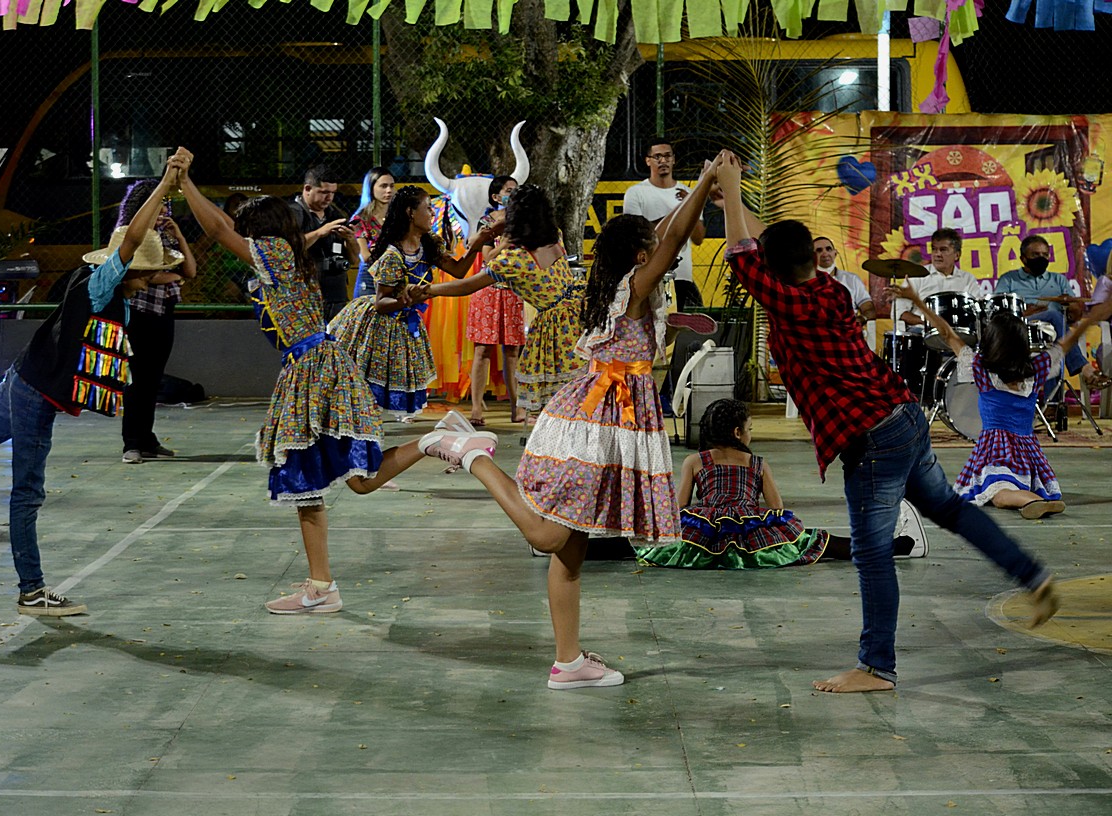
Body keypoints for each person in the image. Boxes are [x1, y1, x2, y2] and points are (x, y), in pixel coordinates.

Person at [713, 151, 1057, 694]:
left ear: (775, 268)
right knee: (946, 508)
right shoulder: (825, 287)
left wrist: (730, 187)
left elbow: (740, 249)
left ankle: (876, 667)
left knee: (873, 552)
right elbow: (761, 243)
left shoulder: (790, 301)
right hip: (904, 417)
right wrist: (736, 199)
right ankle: (1031, 575)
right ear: (809, 257)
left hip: (871, 435)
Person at [416, 160, 719, 690]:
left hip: (604, 416)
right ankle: (467, 451)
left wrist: (671, 320)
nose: (660, 250)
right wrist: (707, 184)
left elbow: (665, 242)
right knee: (549, 533)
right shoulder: (630, 284)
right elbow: (672, 239)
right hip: (595, 418)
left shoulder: (615, 287)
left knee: (572, 552)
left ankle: (568, 661)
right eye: (653, 247)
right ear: (641, 256)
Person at [177, 155, 494, 614]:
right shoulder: (289, 253)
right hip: (317, 366)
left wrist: (184, 180)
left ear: (261, 235)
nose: (242, 240)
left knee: (304, 477)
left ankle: (323, 584)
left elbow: (220, 229)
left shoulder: (277, 256)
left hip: (313, 372)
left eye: (249, 233)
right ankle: (324, 581)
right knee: (345, 483)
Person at [0, 149, 192, 617]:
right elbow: (135, 235)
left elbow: (169, 264)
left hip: (23, 375)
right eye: (154, 270)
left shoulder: (106, 288)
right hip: (36, 391)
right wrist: (165, 185)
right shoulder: (102, 284)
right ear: (134, 270)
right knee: (27, 493)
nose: (162, 276)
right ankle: (31, 591)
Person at [894, 281, 1112, 517]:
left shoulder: (980, 369)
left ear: (990, 343)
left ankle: (1028, 501)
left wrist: (917, 301)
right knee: (1007, 484)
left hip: (994, 449)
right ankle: (1035, 498)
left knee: (995, 491)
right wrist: (1092, 318)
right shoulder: (1037, 369)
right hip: (1028, 452)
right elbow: (1067, 342)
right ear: (1023, 345)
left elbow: (947, 333)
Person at [634, 399, 927, 569]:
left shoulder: (695, 461)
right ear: (738, 432)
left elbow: (681, 506)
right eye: (749, 430)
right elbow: (777, 508)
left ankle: (595, 548)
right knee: (818, 541)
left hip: (705, 535)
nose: (750, 435)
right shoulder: (757, 463)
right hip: (752, 532)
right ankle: (900, 545)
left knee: (641, 542)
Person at [416, 184, 584, 415]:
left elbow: (466, 285)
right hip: (578, 309)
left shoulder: (513, 260)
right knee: (578, 385)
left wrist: (429, 290)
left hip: (555, 325)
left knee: (558, 395)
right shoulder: (555, 236)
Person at [329, 186, 493, 419]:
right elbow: (381, 303)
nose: (432, 214)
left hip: (405, 322)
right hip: (380, 326)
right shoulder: (392, 255)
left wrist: (477, 244)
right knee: (365, 387)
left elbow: (458, 271)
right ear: (410, 213)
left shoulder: (428, 244)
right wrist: (406, 300)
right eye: (427, 209)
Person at [116, 179, 198, 464]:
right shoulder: (129, 235)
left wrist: (181, 237)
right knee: (136, 380)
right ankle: (132, 443)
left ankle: (147, 438)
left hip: (164, 312)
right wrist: (168, 274)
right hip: (138, 314)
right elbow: (143, 274)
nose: (165, 210)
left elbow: (189, 270)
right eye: (160, 204)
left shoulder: (166, 234)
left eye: (166, 205)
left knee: (152, 379)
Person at [993, 234, 1109, 390]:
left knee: (1055, 328)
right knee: (1055, 317)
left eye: (1045, 255)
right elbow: (998, 310)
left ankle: (1053, 405)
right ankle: (1084, 369)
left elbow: (1075, 315)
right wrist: (1024, 312)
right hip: (1021, 330)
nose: (1041, 258)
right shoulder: (1009, 279)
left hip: (1054, 331)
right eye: (1035, 255)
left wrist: (1072, 307)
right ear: (1023, 258)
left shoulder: (1058, 280)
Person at [465, 175, 526, 425]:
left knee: (512, 352)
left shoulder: (524, 222)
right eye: (508, 191)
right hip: (488, 290)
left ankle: (517, 407)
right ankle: (477, 408)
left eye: (516, 190)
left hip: (513, 291)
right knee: (482, 350)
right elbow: (488, 257)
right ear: (496, 197)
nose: (512, 194)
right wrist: (506, 244)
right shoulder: (487, 222)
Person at [621, 137, 706, 289]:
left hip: (681, 276)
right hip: (650, 274)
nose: (663, 161)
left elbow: (698, 238)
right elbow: (637, 236)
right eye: (657, 157)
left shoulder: (688, 193)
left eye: (667, 156)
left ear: (673, 160)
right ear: (648, 161)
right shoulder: (635, 193)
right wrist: (682, 209)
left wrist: (693, 206)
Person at [289, 165, 358, 323]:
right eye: (324, 192)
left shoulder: (336, 215)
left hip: (337, 296)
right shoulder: (292, 214)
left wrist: (350, 239)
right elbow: (288, 249)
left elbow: (354, 259)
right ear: (307, 188)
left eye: (333, 193)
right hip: (305, 296)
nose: (329, 198)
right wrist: (320, 232)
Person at [894, 228, 981, 329]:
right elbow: (899, 312)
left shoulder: (968, 279)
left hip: (955, 335)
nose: (937, 254)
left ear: (957, 255)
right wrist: (927, 322)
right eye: (934, 249)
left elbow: (977, 312)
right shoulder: (917, 275)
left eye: (943, 250)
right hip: (921, 334)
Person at [350, 166, 397, 298]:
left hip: (395, 277)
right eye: (383, 186)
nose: (389, 190)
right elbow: (365, 256)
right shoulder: (360, 219)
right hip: (370, 278)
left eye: (391, 186)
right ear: (371, 188)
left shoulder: (398, 216)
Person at [814, 236, 876, 326]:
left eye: (828, 249)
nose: (825, 253)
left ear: (835, 253)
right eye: (819, 250)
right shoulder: (806, 282)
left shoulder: (852, 279)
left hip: (847, 332)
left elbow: (869, 309)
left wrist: (861, 319)